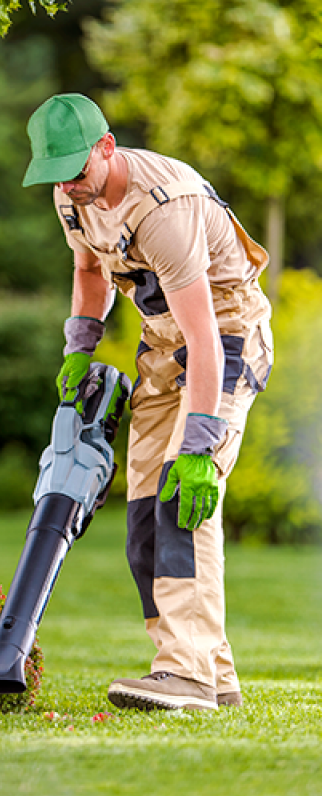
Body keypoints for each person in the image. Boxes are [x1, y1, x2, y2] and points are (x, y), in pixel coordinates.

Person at [22, 93, 273, 711]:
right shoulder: (70, 193)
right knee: (141, 520)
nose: (70, 188)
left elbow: (206, 338)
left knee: (181, 499)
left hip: (224, 336)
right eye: (56, 176)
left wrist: (198, 444)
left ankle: (184, 672)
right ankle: (213, 673)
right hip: (161, 345)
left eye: (78, 172)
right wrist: (80, 346)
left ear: (106, 147)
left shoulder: (165, 207)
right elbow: (89, 271)